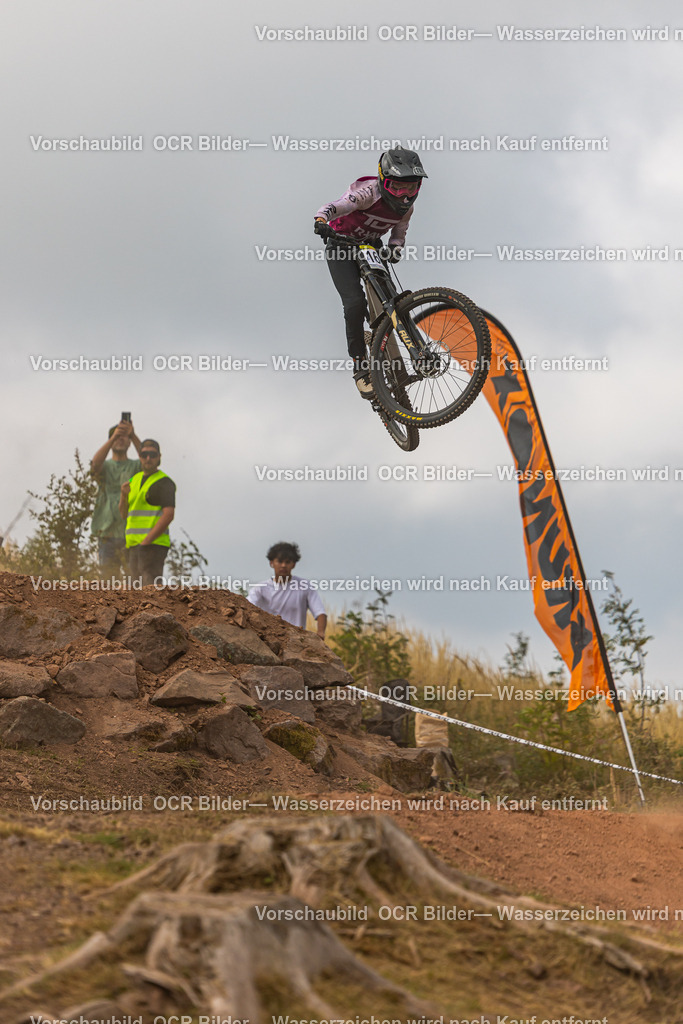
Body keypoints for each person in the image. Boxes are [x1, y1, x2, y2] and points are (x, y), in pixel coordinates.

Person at [314, 147, 427, 397]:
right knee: (354, 304)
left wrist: (395, 250)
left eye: (411, 188)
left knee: (391, 300)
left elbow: (399, 234)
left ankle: (399, 347)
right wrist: (321, 219)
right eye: (397, 188)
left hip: (369, 247)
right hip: (341, 246)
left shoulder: (405, 209)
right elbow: (336, 205)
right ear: (383, 181)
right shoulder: (367, 194)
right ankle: (360, 366)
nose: (405, 196)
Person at [119, 439, 176, 586]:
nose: (148, 458)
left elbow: (169, 515)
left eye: (152, 454)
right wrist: (123, 496)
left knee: (151, 591)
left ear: (159, 457)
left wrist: (146, 541)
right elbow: (124, 514)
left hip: (153, 545)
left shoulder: (165, 482)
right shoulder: (134, 479)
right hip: (133, 546)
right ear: (139, 456)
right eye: (144, 455)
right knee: (135, 592)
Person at [90, 419, 142, 576]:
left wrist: (132, 435)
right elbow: (94, 466)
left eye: (123, 437)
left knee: (134, 583)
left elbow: (149, 461)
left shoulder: (135, 466)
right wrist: (113, 438)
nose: (120, 439)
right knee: (107, 584)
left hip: (131, 533)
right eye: (116, 436)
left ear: (129, 443)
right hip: (107, 533)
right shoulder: (105, 466)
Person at [247, 541, 327, 638]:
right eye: (280, 561)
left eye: (287, 562)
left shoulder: (305, 586)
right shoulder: (260, 589)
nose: (283, 565)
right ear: (271, 563)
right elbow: (247, 607)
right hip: (269, 639)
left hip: (297, 640)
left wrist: (321, 632)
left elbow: (320, 612)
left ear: (293, 564)